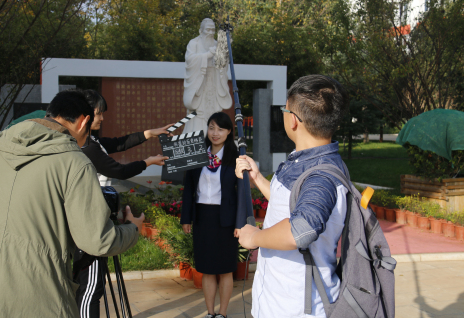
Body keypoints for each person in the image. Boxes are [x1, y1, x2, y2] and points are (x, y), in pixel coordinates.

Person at [0, 90, 144, 318]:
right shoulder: (74, 162)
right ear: (84, 121)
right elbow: (96, 240)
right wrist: (132, 229)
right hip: (37, 290)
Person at [236, 75, 350, 318]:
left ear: (295, 121)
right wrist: (258, 179)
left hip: (298, 307)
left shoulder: (320, 175)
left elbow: (301, 230)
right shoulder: (304, 159)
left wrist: (255, 236)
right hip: (276, 299)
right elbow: (290, 206)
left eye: (285, 110)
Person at [74, 89, 172, 318]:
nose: (102, 118)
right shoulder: (86, 148)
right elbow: (120, 170)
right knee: (91, 288)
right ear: (86, 115)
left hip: (98, 217)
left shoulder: (92, 140)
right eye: (99, 113)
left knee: (93, 285)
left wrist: (149, 133)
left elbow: (119, 143)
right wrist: (148, 162)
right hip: (92, 224)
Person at [181, 112, 242, 319]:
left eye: (221, 129)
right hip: (202, 218)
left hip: (226, 219)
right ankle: (210, 313)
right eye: (212, 128)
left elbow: (242, 192)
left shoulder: (235, 157)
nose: (215, 133)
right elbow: (188, 188)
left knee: (225, 269)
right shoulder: (197, 153)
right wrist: (186, 218)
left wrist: (240, 222)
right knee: (207, 269)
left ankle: (222, 314)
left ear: (229, 132)